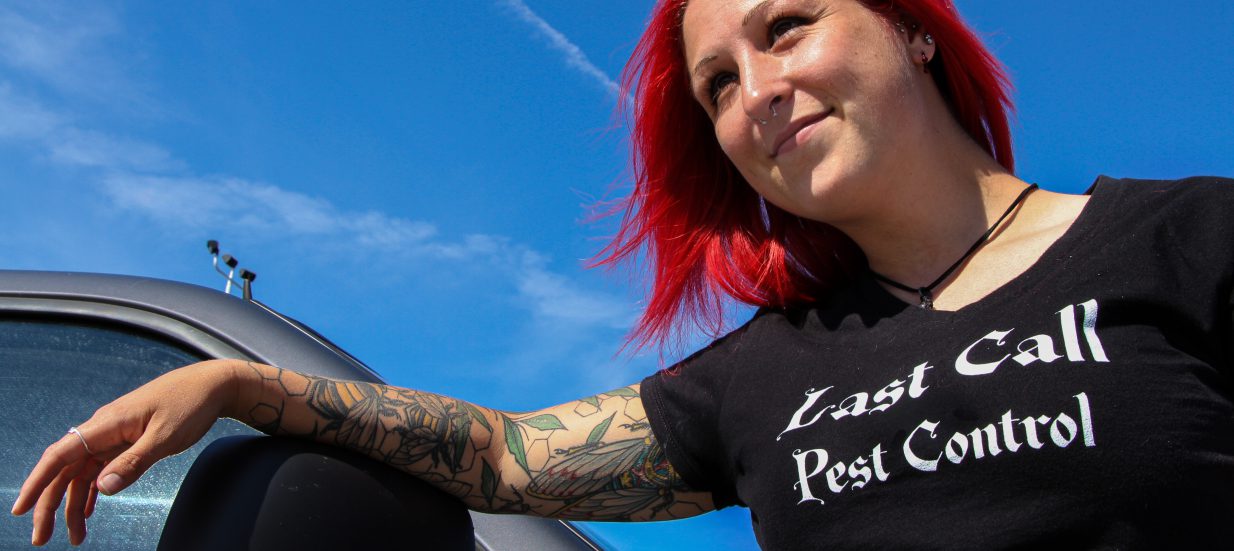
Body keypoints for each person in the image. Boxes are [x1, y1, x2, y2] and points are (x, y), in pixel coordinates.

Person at [13, 0, 1234, 548]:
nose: (756, 91)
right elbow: (504, 456)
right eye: (715, 85)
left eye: (787, 25)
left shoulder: (1188, 239)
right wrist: (242, 384)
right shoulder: (769, 373)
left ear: (912, 26)